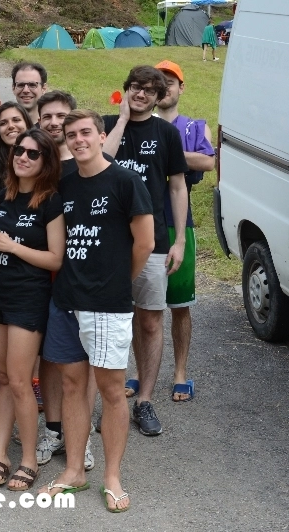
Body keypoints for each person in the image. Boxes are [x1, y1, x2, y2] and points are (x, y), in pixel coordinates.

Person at [40, 109, 153, 512]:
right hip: (66, 301)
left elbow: (145, 242)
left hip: (106, 305)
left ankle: (112, 477)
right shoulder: (65, 182)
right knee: (72, 386)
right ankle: (74, 471)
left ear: (102, 135)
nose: (78, 140)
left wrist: (119, 282)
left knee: (111, 391)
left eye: (85, 132)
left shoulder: (125, 180)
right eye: (71, 134)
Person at [103, 66, 189, 436]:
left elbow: (177, 186)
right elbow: (101, 162)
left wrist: (180, 240)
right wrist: (122, 120)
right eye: (136, 87)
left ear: (158, 97)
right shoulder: (106, 124)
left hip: (152, 241)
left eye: (149, 90)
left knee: (150, 320)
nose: (141, 94)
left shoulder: (166, 133)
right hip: (107, 242)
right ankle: (110, 403)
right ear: (126, 89)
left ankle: (144, 401)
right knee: (107, 323)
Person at [0, 128, 65, 490]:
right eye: (19, 151)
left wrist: (12, 246)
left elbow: (56, 258)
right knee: (2, 377)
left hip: (29, 297)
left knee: (18, 380)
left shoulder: (51, 201)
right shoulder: (5, 195)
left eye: (32, 153)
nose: (23, 157)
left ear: (46, 161)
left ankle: (29, 459)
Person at [154, 60, 215, 402]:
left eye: (171, 81)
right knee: (139, 307)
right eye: (158, 81)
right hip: (141, 225)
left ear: (181, 87)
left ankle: (180, 373)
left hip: (178, 224)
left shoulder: (194, 126)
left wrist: (167, 151)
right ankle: (139, 372)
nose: (164, 86)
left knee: (180, 305)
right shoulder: (137, 126)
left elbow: (208, 161)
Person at [0, 102, 34, 205]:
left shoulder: (44, 159)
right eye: (3, 123)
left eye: (16, 120)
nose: (11, 126)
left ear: (27, 124)